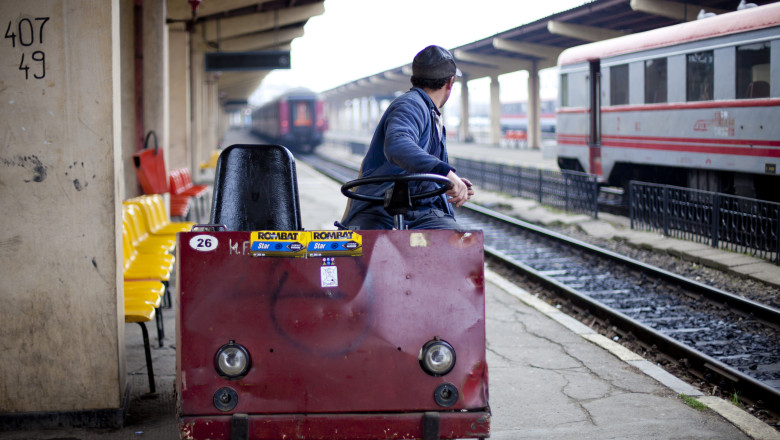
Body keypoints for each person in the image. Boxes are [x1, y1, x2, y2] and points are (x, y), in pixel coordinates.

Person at [341, 45, 475, 230]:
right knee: (363, 253)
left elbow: (421, 169)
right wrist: (446, 172)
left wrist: (449, 182)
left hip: (422, 210)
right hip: (380, 208)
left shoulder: (429, 113)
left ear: (414, 79)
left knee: (458, 246)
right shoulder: (410, 105)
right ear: (450, 83)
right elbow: (398, 145)